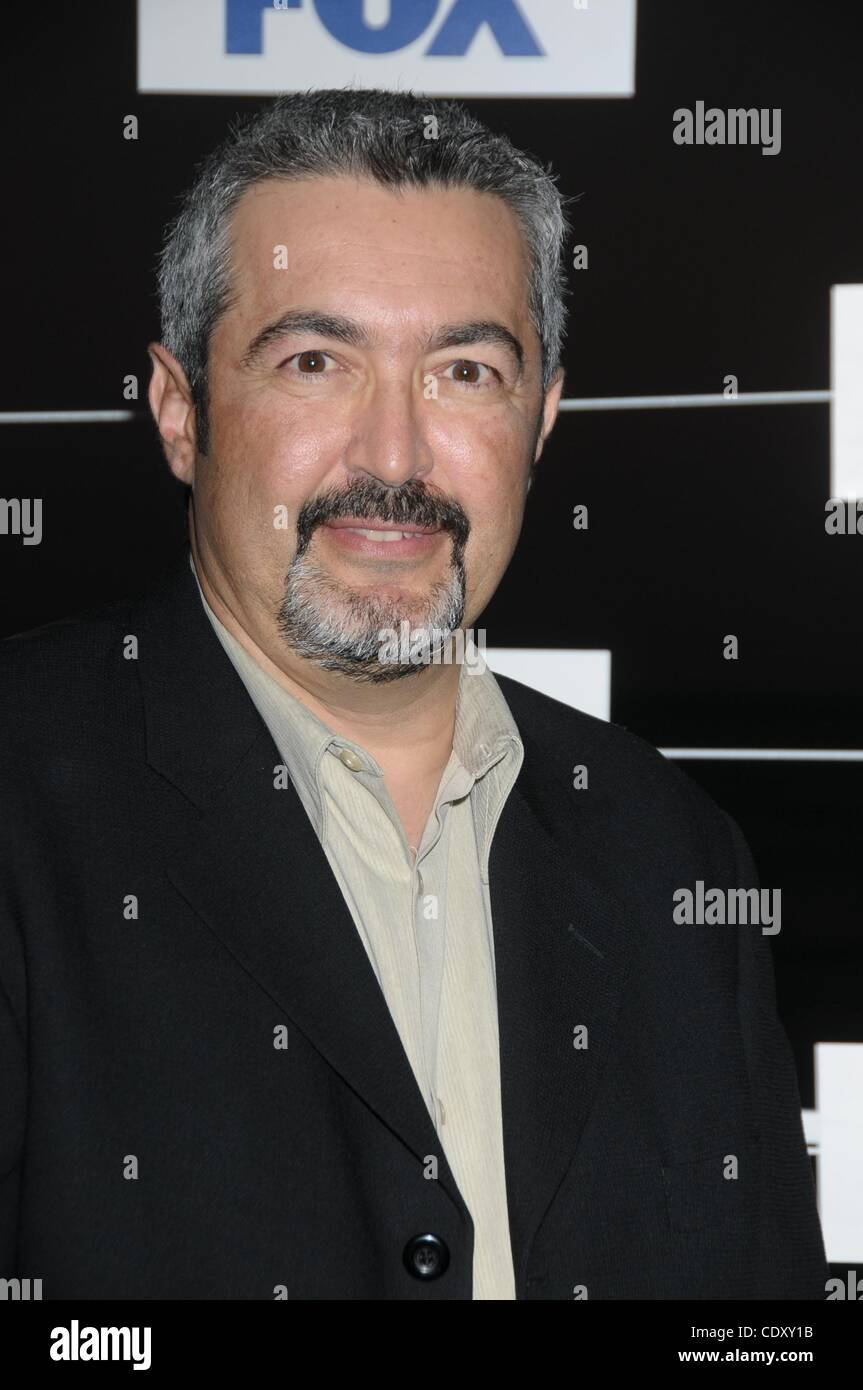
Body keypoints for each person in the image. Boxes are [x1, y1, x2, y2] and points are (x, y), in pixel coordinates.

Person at [0, 88, 827, 1300]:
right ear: (180, 413)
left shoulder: (668, 853)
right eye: (315, 361)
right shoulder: (23, 797)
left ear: (539, 420)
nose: (391, 459)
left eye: (463, 369)